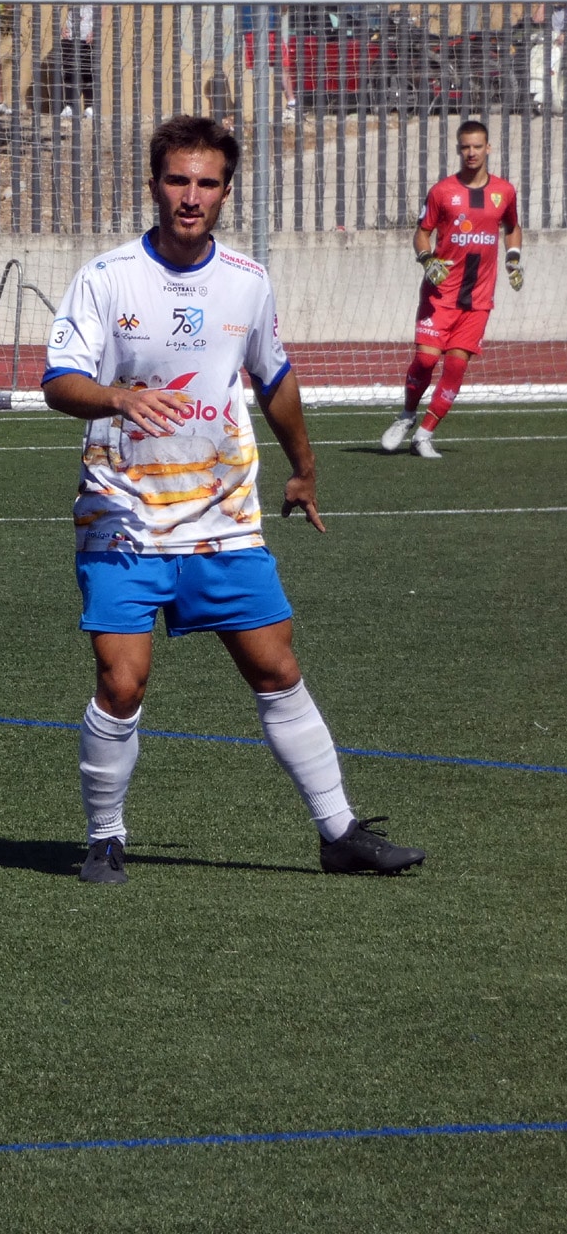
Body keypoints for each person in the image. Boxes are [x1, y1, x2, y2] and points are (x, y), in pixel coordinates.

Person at [40, 114, 425, 885]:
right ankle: (105, 839)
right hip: (121, 518)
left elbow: (274, 377)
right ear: (154, 185)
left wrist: (304, 468)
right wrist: (116, 398)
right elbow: (59, 382)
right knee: (121, 682)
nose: (190, 197)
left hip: (221, 515)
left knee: (277, 670)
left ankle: (338, 830)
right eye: (177, 180)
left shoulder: (246, 282)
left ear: (225, 191)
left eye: (206, 183)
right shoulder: (107, 276)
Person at [380, 120, 523, 460]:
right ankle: (407, 415)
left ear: (488, 148)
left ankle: (425, 434)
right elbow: (421, 232)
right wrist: (426, 257)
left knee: (456, 367)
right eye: (465, 147)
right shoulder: (443, 191)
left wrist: (514, 258)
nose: (471, 152)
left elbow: (513, 228)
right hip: (440, 293)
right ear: (458, 149)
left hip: (477, 298)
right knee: (425, 359)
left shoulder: (505, 192)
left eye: (477, 146)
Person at [57, 0, 98, 119]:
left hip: (86, 36)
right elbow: (64, 9)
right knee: (68, 71)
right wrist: (63, 27)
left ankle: (89, 107)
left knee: (87, 71)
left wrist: (95, 30)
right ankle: (69, 106)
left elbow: (102, 10)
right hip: (71, 37)